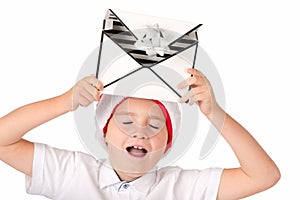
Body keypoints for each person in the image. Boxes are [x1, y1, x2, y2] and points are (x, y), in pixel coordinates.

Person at [0, 68, 280, 199]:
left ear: (168, 144)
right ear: (104, 131)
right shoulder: (70, 172)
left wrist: (214, 113)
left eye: (156, 125)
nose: (141, 132)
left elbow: (264, 176)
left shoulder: (183, 188)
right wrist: (64, 102)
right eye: (126, 122)